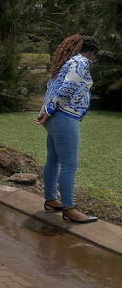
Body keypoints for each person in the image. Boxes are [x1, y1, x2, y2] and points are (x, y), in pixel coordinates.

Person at [36, 35, 100, 224]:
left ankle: (50, 199)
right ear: (91, 53)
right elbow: (68, 88)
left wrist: (47, 109)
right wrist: (49, 109)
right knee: (69, 164)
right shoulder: (81, 62)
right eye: (94, 56)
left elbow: (51, 88)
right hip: (64, 116)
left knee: (53, 160)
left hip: (55, 117)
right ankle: (69, 208)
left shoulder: (67, 62)